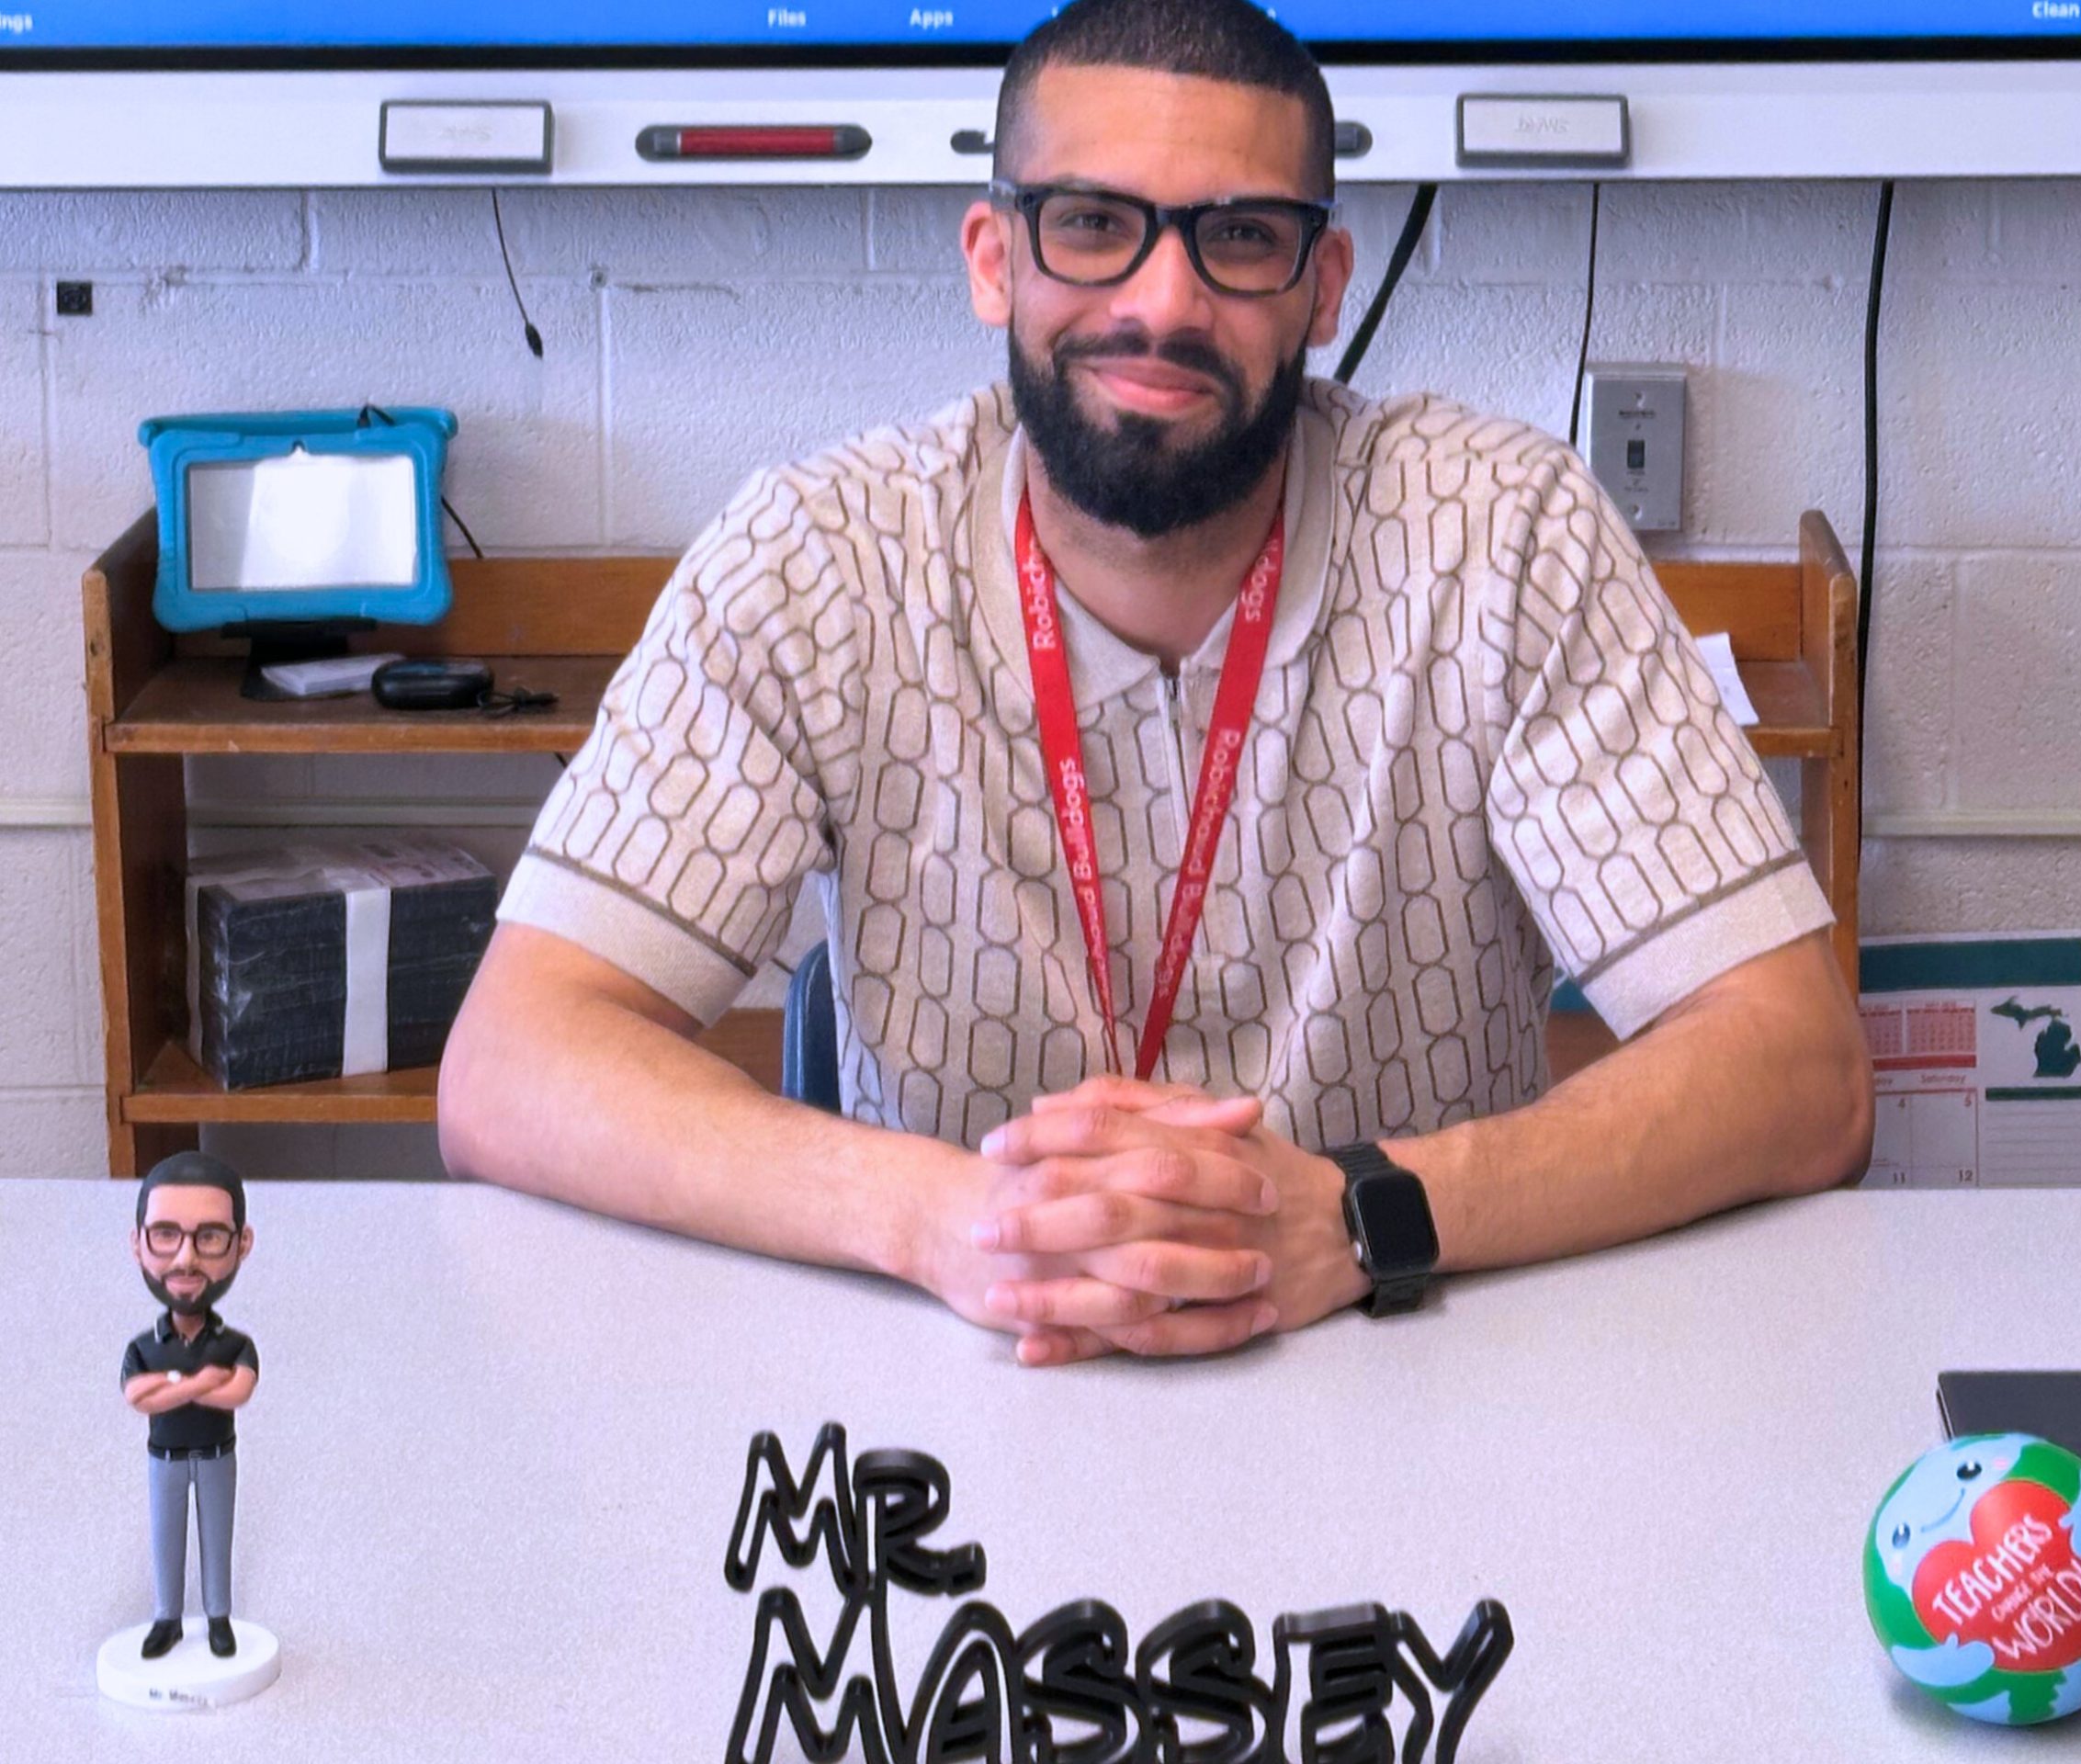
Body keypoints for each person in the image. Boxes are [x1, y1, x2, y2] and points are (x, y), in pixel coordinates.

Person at [440, 0, 1873, 1367]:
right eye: (1095, 226)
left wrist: (1361, 1216)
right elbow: (515, 1061)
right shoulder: (817, 558)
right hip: (969, 1375)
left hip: (1408, 1363)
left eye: (1240, 238)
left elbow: (1799, 1075)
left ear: (1322, 285)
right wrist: (949, 1220)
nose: (1164, 301)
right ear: (997, 258)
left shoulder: (1499, 536)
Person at [120, 1151, 259, 1659]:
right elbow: (137, 1397)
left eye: (209, 1237)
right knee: (167, 1538)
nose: (185, 1258)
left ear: (242, 1243)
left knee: (216, 1535)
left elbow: (238, 1392)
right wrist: (200, 1379)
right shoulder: (143, 1345)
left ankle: (218, 1618)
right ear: (137, 1243)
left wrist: (170, 1385)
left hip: (219, 1454)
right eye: (165, 1234)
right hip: (165, 1460)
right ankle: (168, 1619)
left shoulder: (235, 1342)